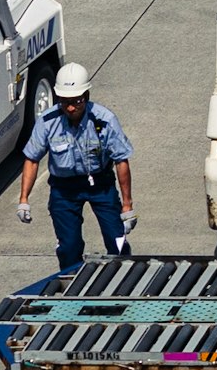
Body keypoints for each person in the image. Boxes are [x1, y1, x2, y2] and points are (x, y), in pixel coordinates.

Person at [16, 64, 135, 266]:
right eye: (65, 102)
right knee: (68, 246)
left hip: (100, 185)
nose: (70, 108)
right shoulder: (47, 122)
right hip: (64, 190)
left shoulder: (105, 120)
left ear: (86, 96)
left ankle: (123, 280)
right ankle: (71, 284)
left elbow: (121, 160)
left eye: (76, 102)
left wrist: (127, 205)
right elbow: (32, 159)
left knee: (118, 241)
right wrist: (24, 199)